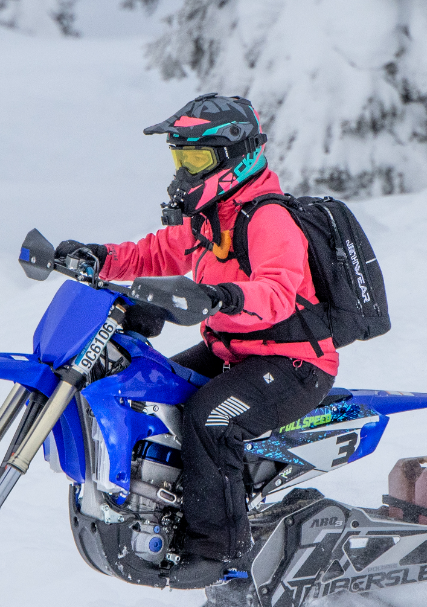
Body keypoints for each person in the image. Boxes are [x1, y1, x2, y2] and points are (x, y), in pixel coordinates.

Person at [55, 93, 337, 563]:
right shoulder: (212, 216)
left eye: (196, 158)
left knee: (208, 417)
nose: (185, 172)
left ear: (234, 158)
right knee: (147, 387)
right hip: (236, 351)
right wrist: (99, 256)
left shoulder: (268, 218)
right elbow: (155, 252)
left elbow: (278, 292)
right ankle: (162, 509)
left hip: (294, 361)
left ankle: (219, 548)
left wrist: (221, 296)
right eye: (179, 158)